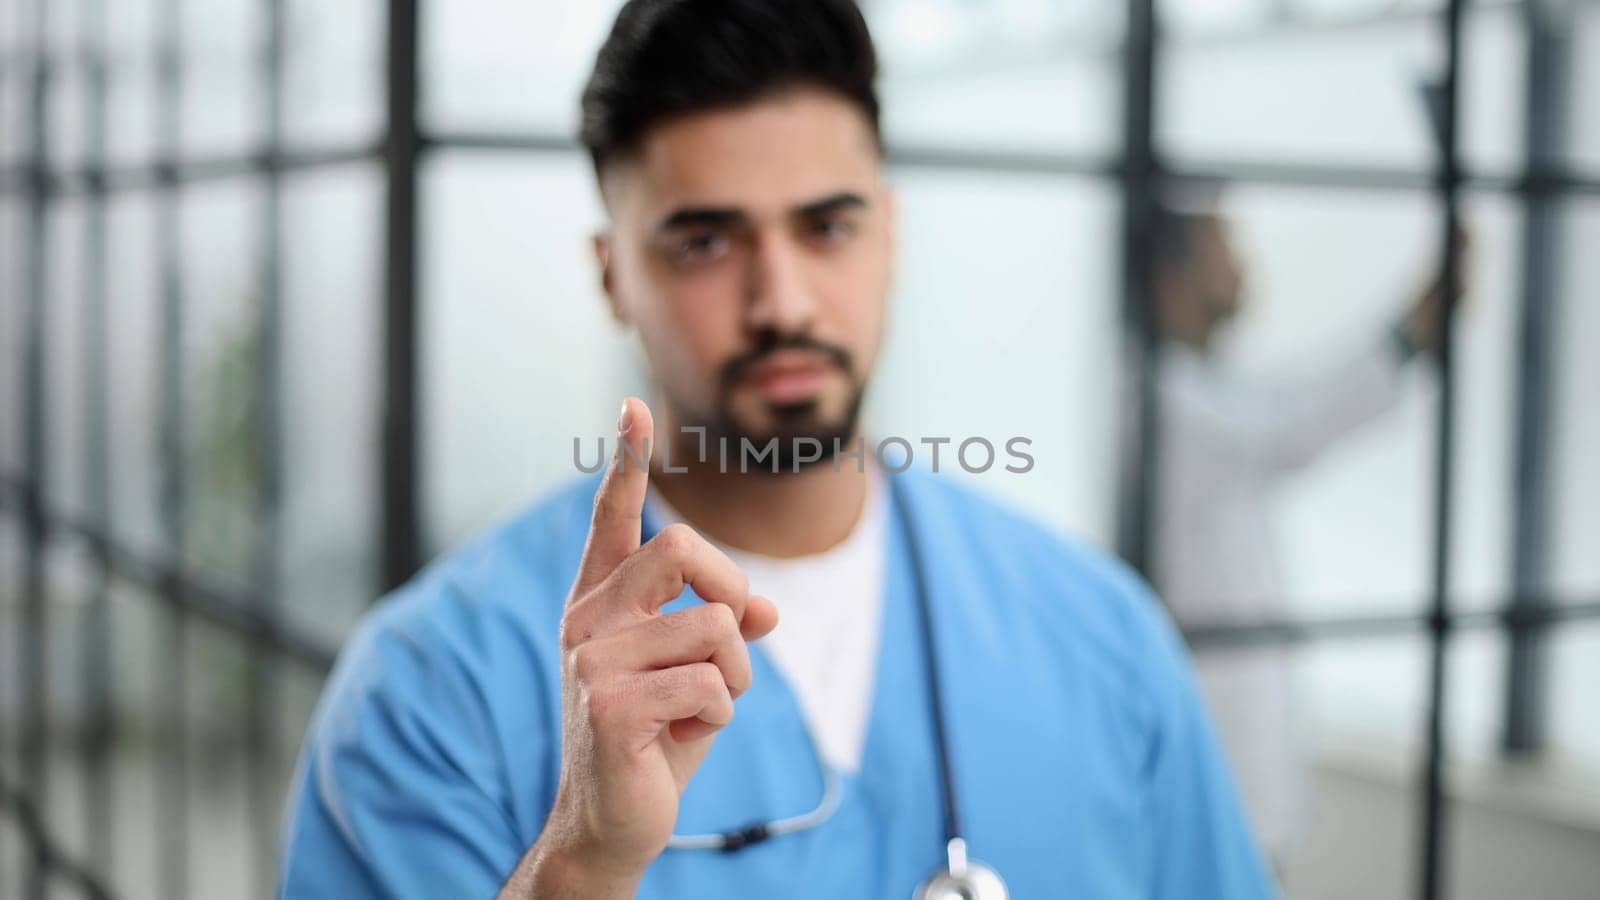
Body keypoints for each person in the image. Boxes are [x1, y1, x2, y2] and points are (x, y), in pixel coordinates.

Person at [278, 2, 1274, 896]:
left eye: (827, 228)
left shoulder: (1102, 643)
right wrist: (578, 866)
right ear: (612, 275)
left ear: (889, 235)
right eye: (705, 243)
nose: (782, 302)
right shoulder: (425, 696)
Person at [1146, 197, 1462, 869]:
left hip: (1243, 781)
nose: (1245, 266)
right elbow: (1292, 425)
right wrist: (1410, 331)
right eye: (1223, 246)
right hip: (1216, 775)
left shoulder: (1204, 392)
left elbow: (1285, 408)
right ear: (1171, 280)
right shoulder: (1166, 405)